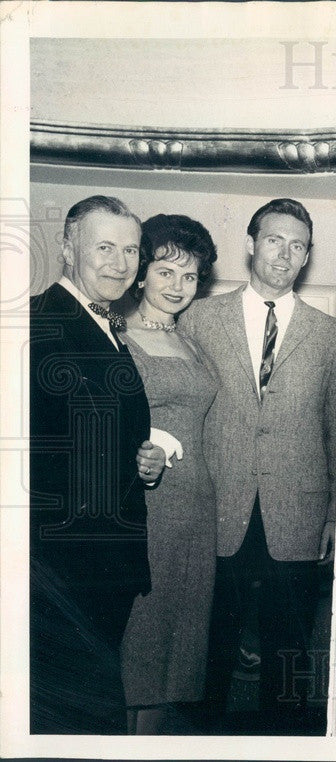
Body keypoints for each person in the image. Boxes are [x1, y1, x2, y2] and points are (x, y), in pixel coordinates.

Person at [180, 198, 336, 733]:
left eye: (298, 245)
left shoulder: (329, 333)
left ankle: (289, 741)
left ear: (306, 257)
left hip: (297, 513)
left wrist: (332, 519)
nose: (285, 253)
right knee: (211, 644)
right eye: (275, 239)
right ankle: (201, 742)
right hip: (217, 508)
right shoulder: (199, 318)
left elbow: (335, 428)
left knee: (287, 646)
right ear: (251, 244)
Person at [29, 195, 166, 734]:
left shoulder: (102, 323)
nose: (120, 262)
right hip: (65, 562)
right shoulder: (43, 323)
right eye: (104, 247)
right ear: (68, 249)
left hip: (103, 555)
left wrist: (143, 458)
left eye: (130, 249)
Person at [117, 214, 219, 734]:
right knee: (143, 640)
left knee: (179, 644)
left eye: (191, 276)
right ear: (141, 272)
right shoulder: (118, 339)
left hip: (198, 510)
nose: (178, 286)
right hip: (149, 506)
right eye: (165, 272)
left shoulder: (191, 342)